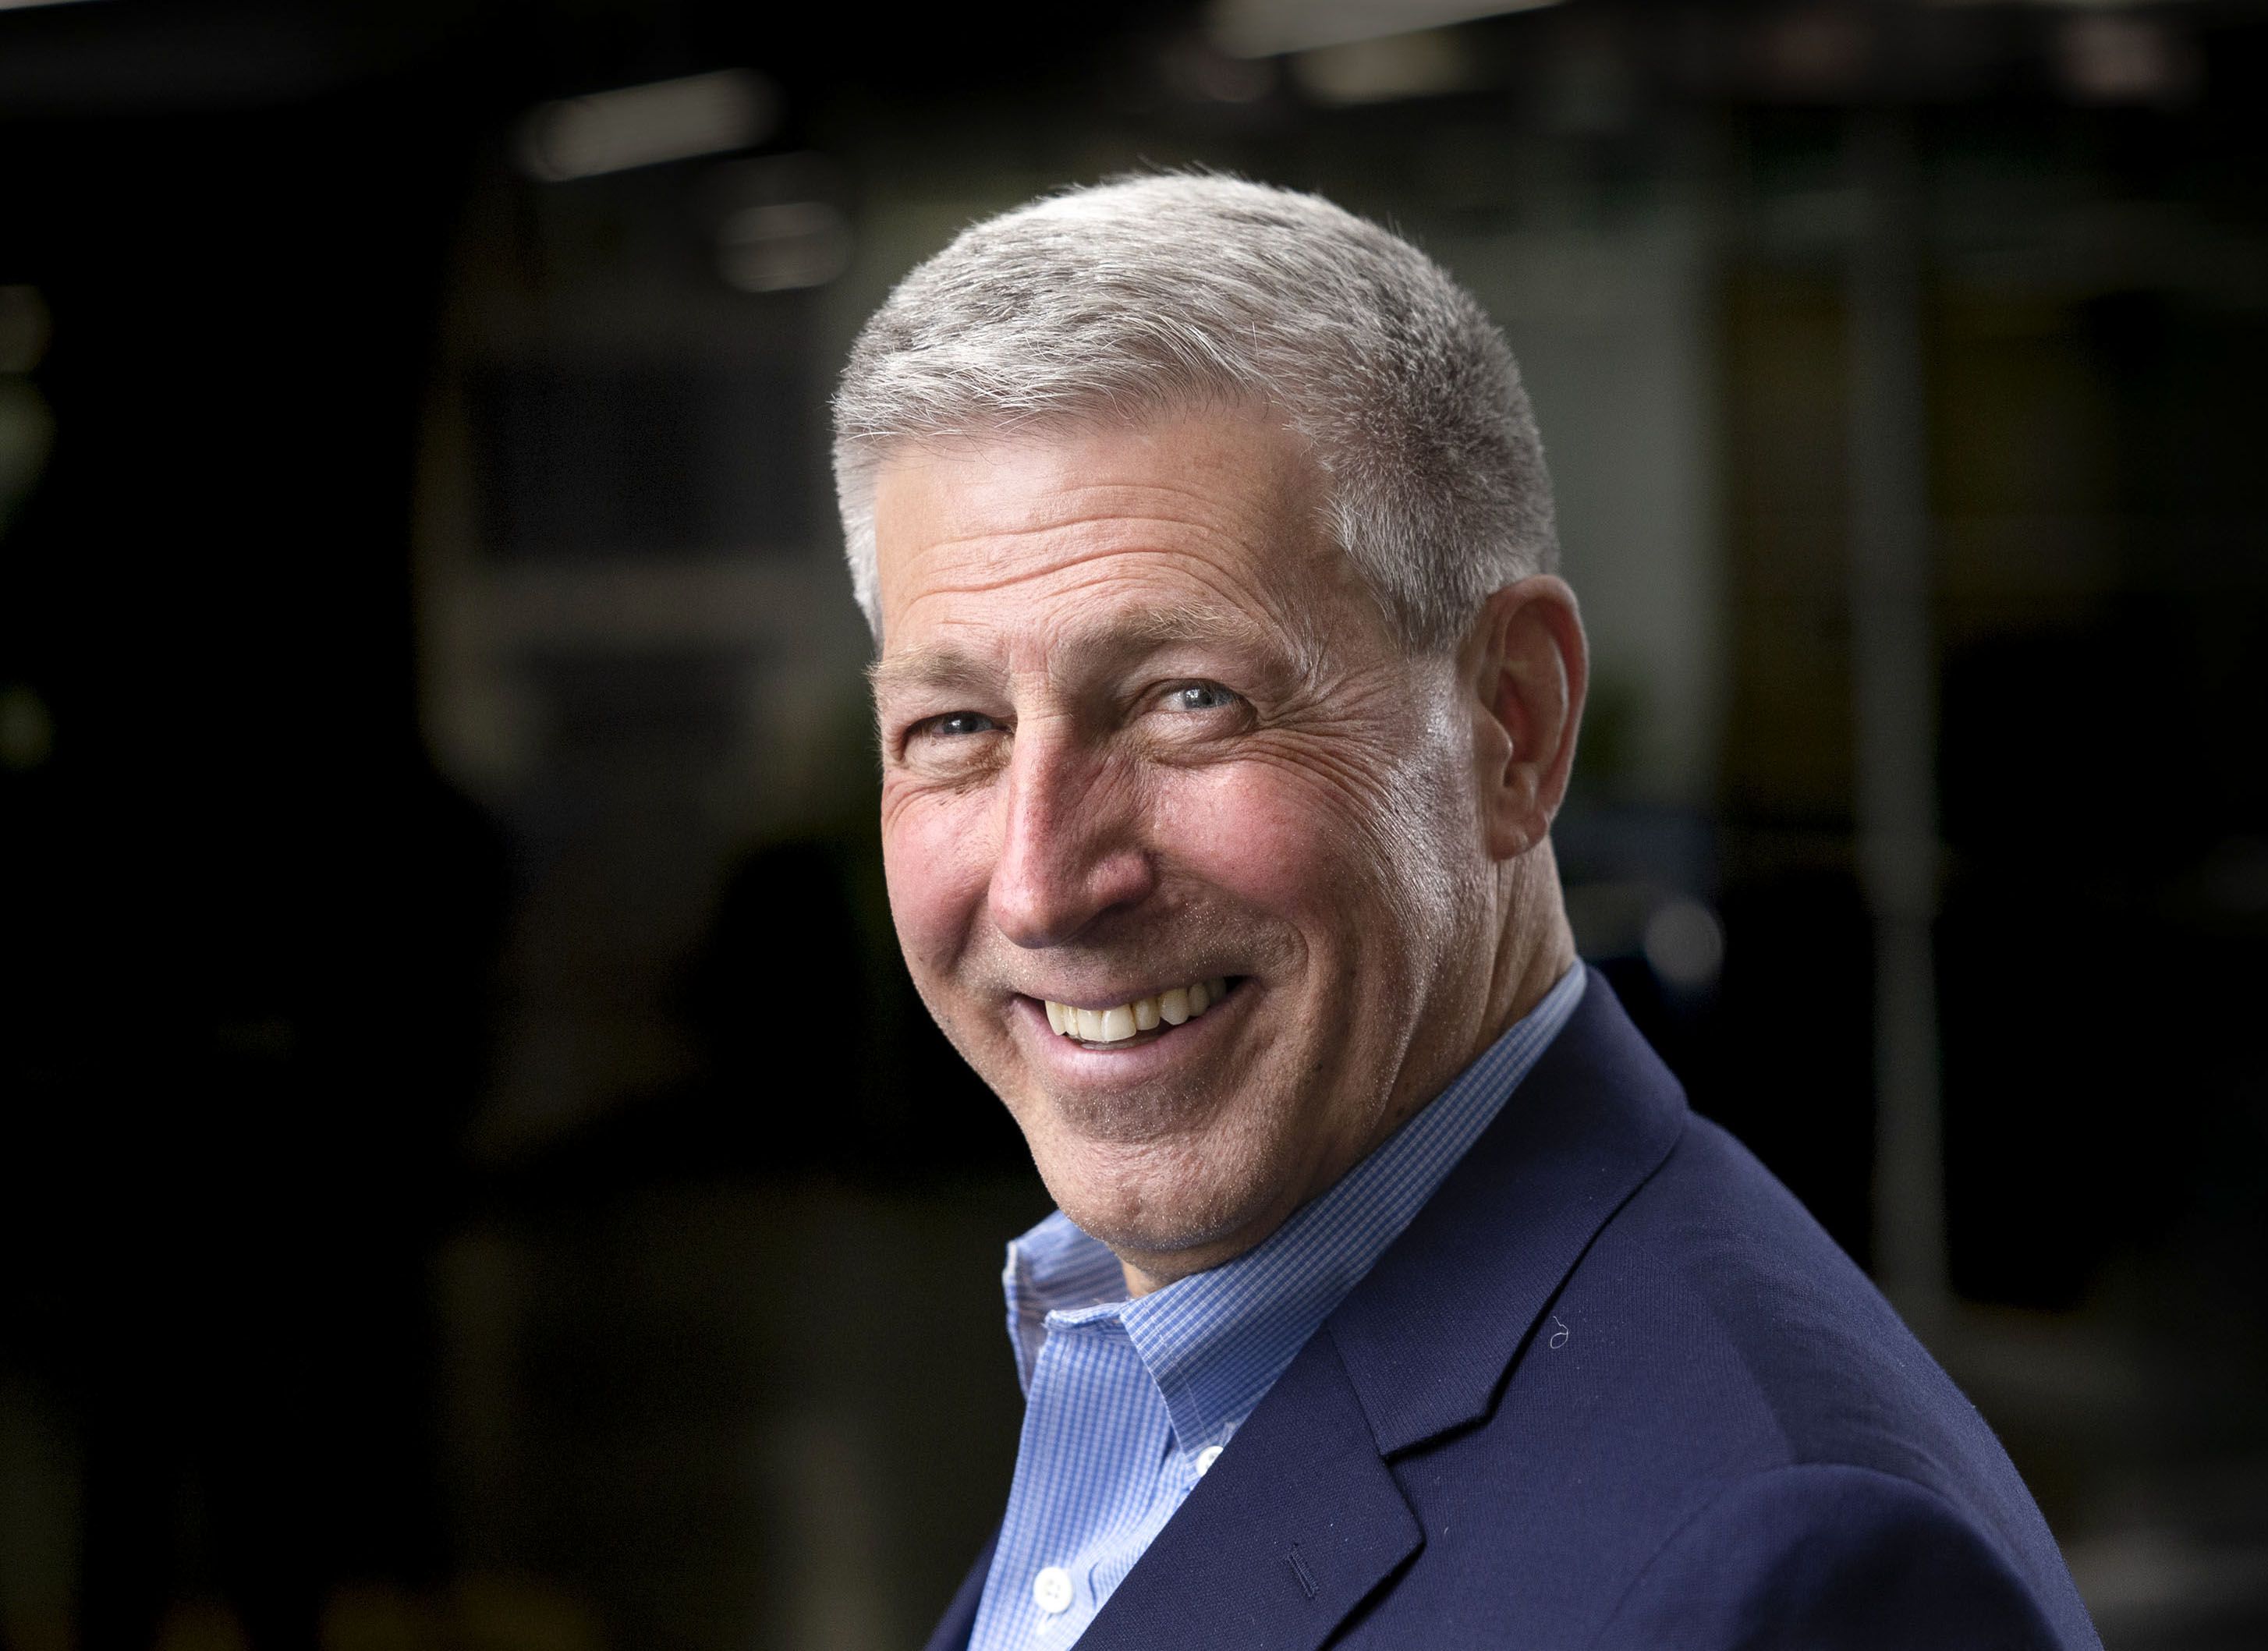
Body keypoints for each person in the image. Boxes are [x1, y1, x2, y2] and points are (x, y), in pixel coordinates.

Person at [831, 173, 2100, 1651]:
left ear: (1513, 726)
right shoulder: (1167, 1369)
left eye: (1191, 700)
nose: (1043, 882)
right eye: (956, 727)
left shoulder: (1786, 1573)